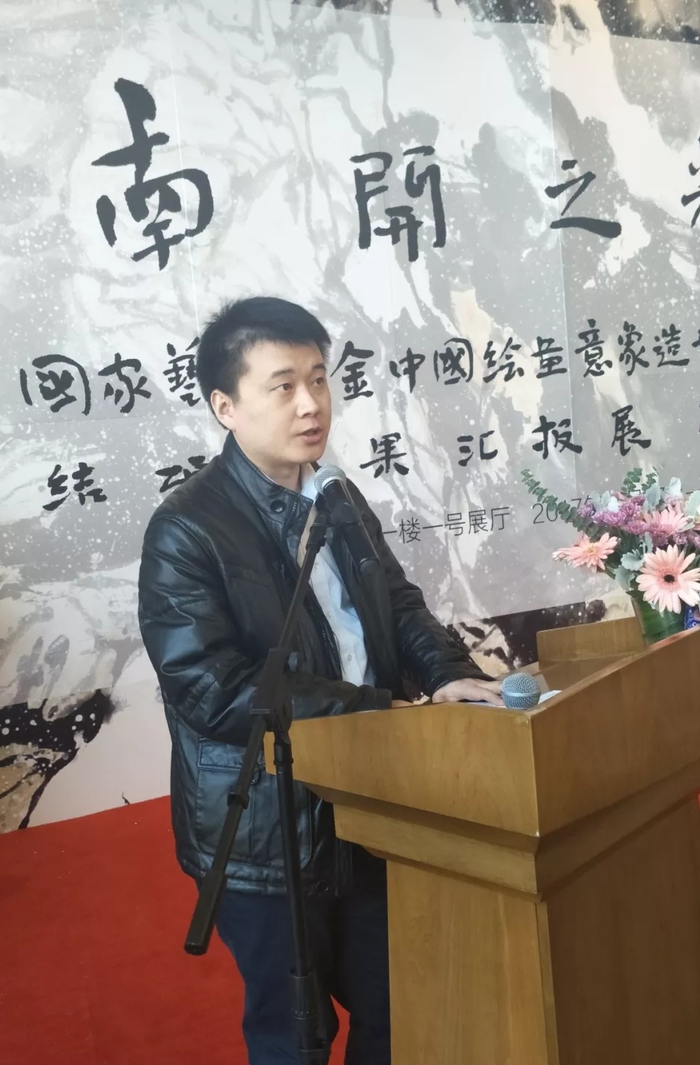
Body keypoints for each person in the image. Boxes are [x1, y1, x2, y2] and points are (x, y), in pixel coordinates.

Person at [138, 296, 501, 1065]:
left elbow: (397, 603)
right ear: (225, 406)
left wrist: (446, 675)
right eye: (282, 385)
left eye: (317, 378)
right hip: (268, 828)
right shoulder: (185, 529)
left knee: (399, 1005)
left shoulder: (334, 494)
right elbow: (211, 689)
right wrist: (373, 710)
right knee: (294, 1036)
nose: (310, 404)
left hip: (371, 797)